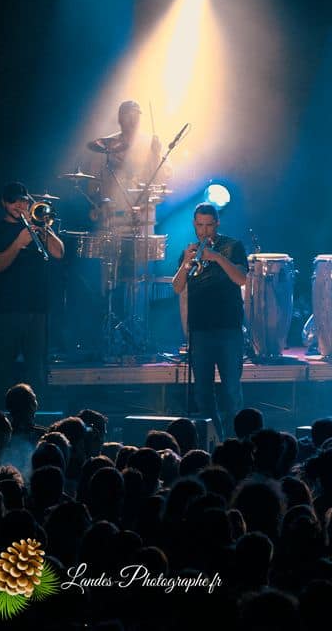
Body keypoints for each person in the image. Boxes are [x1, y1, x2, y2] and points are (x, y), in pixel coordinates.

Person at [0, 182, 64, 410]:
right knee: (2, 370)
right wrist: (19, 242)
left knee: (36, 369)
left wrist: (42, 227)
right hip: (7, 310)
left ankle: (35, 419)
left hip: (36, 309)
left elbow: (58, 253)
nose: (19, 205)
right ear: (4, 203)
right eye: (14, 201)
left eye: (23, 200)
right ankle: (0, 419)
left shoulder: (37, 228)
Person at [171, 202, 247, 438]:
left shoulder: (233, 246)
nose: (204, 232)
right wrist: (186, 264)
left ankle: (236, 444)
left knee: (231, 392)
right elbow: (177, 287)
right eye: (200, 226)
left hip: (228, 330)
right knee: (203, 394)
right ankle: (212, 441)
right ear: (194, 224)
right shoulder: (188, 251)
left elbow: (241, 279)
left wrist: (216, 257)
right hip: (200, 331)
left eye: (209, 226)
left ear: (217, 224)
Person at [86, 99, 170, 230]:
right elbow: (92, 183)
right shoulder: (105, 144)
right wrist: (96, 205)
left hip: (143, 215)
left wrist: (156, 155)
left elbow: (162, 178)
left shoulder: (152, 143)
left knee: (143, 249)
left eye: (136, 116)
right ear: (119, 119)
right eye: (128, 116)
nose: (132, 120)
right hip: (114, 215)